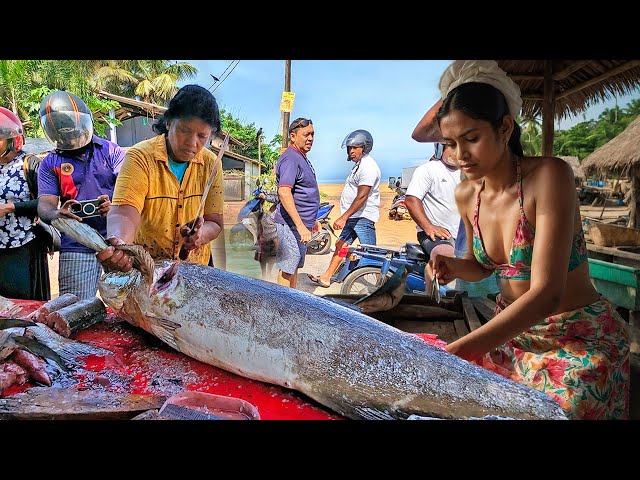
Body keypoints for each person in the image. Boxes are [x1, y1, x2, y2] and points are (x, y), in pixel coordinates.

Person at [427, 60, 630, 420]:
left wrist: (460, 352)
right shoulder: (466, 195)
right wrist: (453, 266)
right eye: (451, 144)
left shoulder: (549, 177)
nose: (460, 156)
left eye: (471, 138)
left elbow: (546, 292)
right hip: (512, 338)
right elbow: (482, 266)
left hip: (575, 339)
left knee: (560, 411)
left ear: (504, 127)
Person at [96, 84, 224, 274]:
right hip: (147, 273)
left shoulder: (212, 164)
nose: (192, 142)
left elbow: (215, 222)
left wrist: (200, 236)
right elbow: (124, 212)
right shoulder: (140, 157)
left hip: (194, 274)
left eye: (202, 136)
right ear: (169, 123)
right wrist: (120, 242)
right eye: (184, 131)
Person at [37, 91, 124, 300]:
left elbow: (130, 191)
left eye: (72, 129)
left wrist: (115, 207)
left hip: (118, 240)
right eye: (63, 131)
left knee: (128, 305)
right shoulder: (50, 163)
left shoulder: (111, 152)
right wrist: (58, 214)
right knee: (73, 307)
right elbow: (45, 206)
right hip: (76, 243)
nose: (70, 135)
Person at [307, 130, 381, 288]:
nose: (351, 151)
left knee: (372, 255)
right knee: (341, 245)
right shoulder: (359, 165)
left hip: (362, 218)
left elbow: (362, 196)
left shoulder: (368, 167)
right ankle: (326, 277)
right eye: (349, 148)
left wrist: (344, 217)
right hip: (355, 217)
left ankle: (383, 285)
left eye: (356, 147)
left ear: (365, 147)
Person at [0, 107, 50, 301]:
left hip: (23, 245)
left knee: (23, 302)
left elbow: (47, 202)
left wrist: (11, 207)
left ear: (13, 140)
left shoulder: (29, 163)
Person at [404, 142, 460, 295]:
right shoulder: (428, 170)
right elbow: (411, 200)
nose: (457, 150)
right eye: (451, 145)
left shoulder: (471, 172)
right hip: (435, 235)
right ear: (439, 147)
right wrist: (429, 226)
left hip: (463, 235)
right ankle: (430, 300)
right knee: (444, 254)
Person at [273, 117, 320, 289]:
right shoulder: (291, 158)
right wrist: (300, 226)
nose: (310, 138)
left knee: (293, 267)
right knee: (287, 268)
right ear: (293, 136)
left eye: (313, 134)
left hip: (300, 225)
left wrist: (312, 220)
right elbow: (284, 191)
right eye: (306, 134)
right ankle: (283, 309)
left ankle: (291, 301)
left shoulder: (300, 157)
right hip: (290, 225)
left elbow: (302, 192)